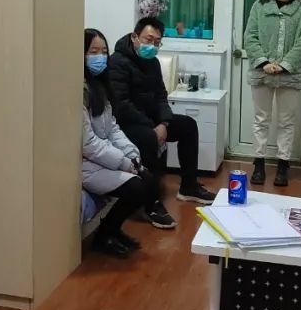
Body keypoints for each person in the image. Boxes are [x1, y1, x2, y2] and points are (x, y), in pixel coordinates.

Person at [108, 17, 216, 227]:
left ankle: (189, 186)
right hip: (127, 124)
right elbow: (121, 105)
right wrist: (153, 127)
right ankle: (151, 204)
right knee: (149, 138)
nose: (152, 46)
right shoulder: (117, 62)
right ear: (135, 37)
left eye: (157, 42)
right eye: (149, 39)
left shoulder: (153, 63)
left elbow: (161, 96)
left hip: (153, 121)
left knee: (188, 125)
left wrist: (164, 123)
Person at [82, 28, 160, 257]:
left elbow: (113, 128)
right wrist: (123, 163)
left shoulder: (100, 86)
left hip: (101, 159)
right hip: (86, 163)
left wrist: (131, 154)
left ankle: (113, 231)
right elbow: (89, 144)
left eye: (103, 52)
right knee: (137, 187)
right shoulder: (80, 91)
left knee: (148, 180)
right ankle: (104, 236)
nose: (100, 57)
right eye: (93, 52)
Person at [243, 0, 301, 187]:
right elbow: (250, 36)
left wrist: (283, 65)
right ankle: (259, 164)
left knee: (286, 121)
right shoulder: (259, 6)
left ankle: (283, 165)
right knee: (261, 119)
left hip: (290, 75)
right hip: (262, 72)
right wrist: (264, 62)